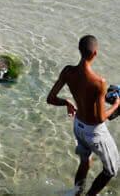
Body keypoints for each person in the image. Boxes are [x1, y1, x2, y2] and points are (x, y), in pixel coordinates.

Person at [48, 35, 120, 195]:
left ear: (79, 50)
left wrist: (66, 101)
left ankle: (76, 192)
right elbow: (101, 117)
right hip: (94, 132)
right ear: (95, 53)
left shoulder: (67, 71)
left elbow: (50, 99)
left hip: (78, 126)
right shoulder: (99, 82)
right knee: (112, 170)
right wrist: (116, 104)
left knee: (85, 161)